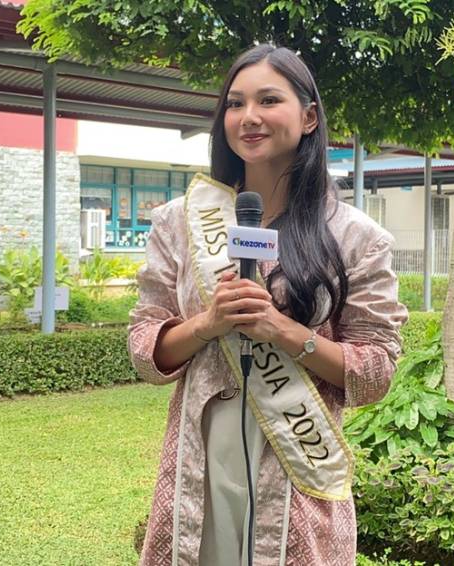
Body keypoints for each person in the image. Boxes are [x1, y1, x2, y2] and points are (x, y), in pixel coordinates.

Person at [128, 44, 408, 566]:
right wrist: (208, 323)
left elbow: (375, 372)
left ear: (309, 117)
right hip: (200, 462)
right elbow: (145, 349)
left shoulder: (356, 238)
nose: (249, 117)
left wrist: (284, 331)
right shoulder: (178, 222)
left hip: (296, 467)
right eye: (235, 104)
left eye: (269, 100)